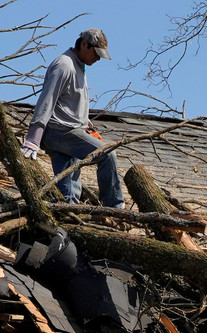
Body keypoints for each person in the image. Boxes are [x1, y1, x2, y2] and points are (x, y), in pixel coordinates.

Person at [22, 28, 123, 208]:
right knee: (108, 155)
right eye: (96, 53)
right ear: (84, 44)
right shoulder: (64, 65)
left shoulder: (78, 65)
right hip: (61, 131)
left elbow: (70, 101)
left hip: (71, 130)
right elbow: (47, 100)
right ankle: (114, 207)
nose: (98, 58)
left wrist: (88, 126)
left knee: (68, 192)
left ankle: (66, 224)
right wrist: (33, 137)